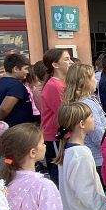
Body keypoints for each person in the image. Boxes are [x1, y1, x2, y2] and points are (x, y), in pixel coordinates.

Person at [41, 48, 73, 185]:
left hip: (64, 134)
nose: (71, 62)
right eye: (66, 59)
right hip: (56, 136)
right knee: (59, 173)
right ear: (55, 64)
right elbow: (64, 113)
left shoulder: (62, 83)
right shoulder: (54, 85)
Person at [0, 53, 34, 127]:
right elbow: (4, 109)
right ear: (16, 69)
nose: (27, 72)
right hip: (17, 127)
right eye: (25, 69)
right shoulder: (16, 85)